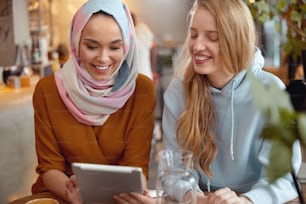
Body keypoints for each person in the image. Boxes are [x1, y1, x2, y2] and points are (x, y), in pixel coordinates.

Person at [119, 0, 302, 203]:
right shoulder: (178, 91)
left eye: (212, 37)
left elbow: (283, 177)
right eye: (194, 34)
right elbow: (173, 171)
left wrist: (245, 201)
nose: (197, 46)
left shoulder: (271, 91)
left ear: (236, 41)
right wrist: (196, 198)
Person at [31, 0, 156, 203]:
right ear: (76, 43)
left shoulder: (142, 90)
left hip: (118, 198)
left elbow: (136, 169)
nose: (103, 58)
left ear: (127, 45)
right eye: (91, 46)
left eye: (115, 47)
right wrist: (73, 195)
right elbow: (50, 167)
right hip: (62, 195)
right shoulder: (48, 90)